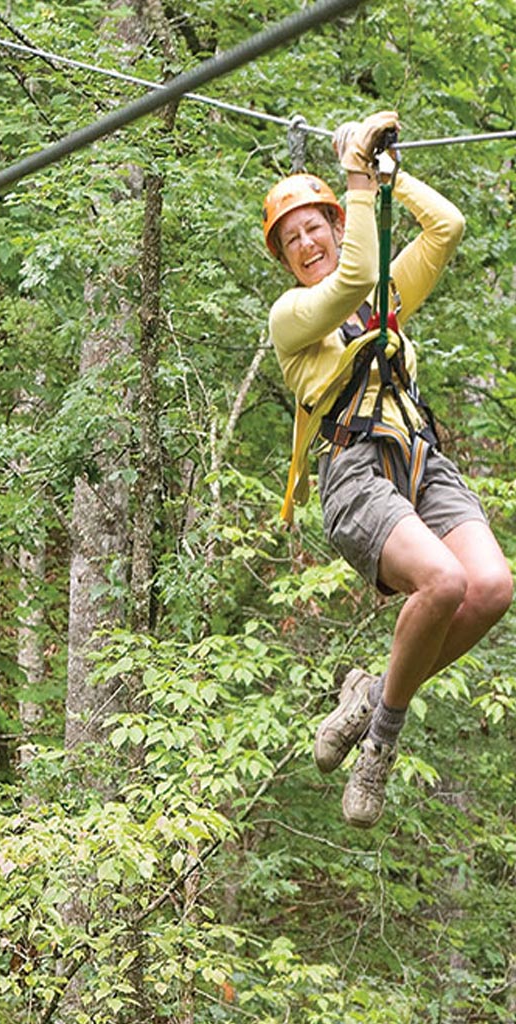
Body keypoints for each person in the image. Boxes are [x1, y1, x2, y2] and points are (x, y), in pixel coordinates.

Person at [262, 111, 512, 828]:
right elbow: (355, 277)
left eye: (318, 227)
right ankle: (379, 745)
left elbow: (448, 227)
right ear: (284, 257)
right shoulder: (294, 315)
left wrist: (388, 174)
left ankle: (370, 693)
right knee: (442, 582)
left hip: (420, 461)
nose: (308, 242)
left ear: (339, 226)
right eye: (293, 237)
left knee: (491, 588)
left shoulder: (386, 296)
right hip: (356, 472)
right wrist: (355, 175)